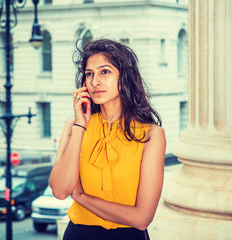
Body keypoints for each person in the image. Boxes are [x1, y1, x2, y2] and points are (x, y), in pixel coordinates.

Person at [49, 38, 166, 240]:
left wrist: (81, 197)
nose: (95, 82)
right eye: (89, 74)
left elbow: (142, 218)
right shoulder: (73, 126)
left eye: (105, 71)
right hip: (78, 234)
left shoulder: (151, 134)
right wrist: (80, 125)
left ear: (124, 77)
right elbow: (60, 191)